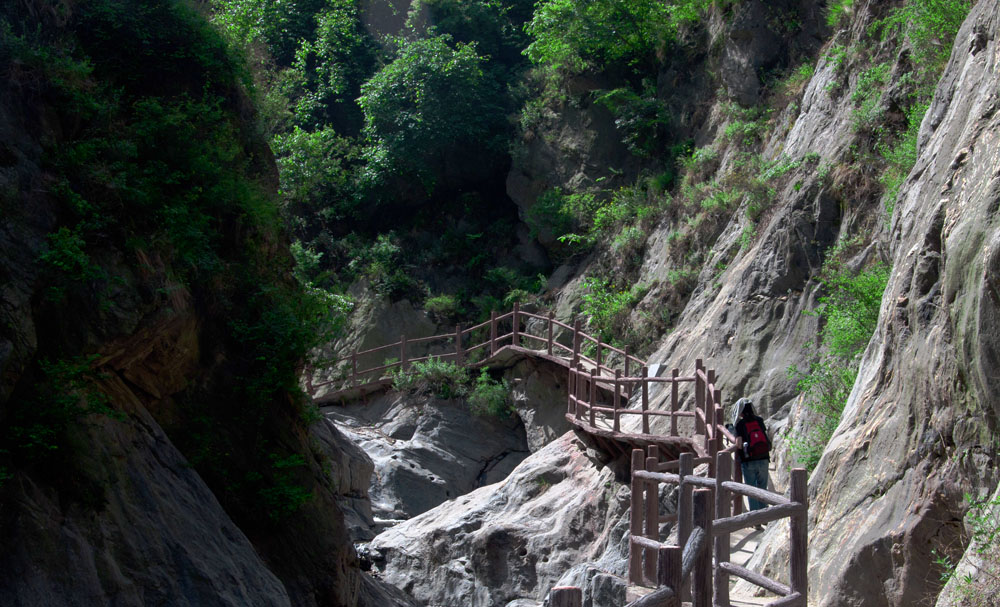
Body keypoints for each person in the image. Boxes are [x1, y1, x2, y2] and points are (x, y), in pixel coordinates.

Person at [733, 397, 771, 522]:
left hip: (748, 460)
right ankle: (764, 517)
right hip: (763, 457)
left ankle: (755, 520)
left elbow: (738, 444)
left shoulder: (740, 424)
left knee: (751, 490)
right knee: (762, 488)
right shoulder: (759, 420)